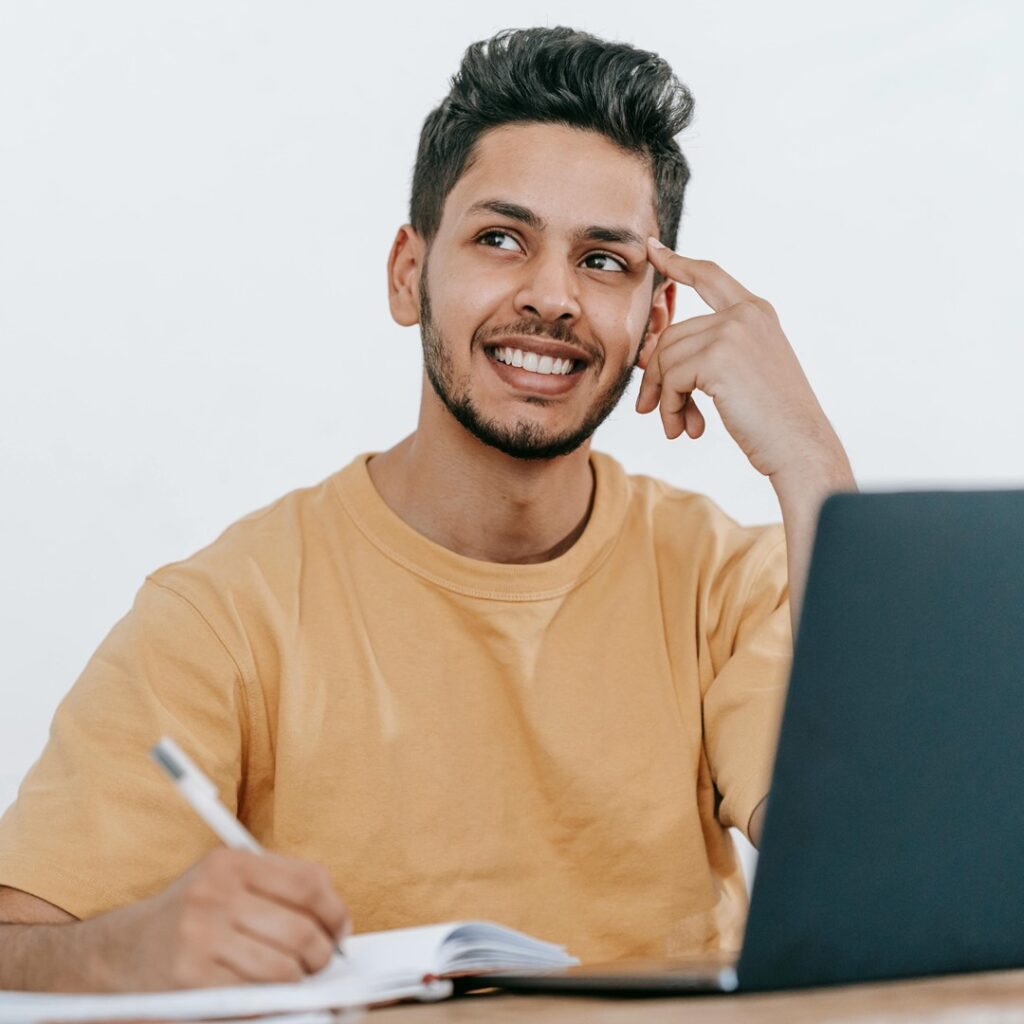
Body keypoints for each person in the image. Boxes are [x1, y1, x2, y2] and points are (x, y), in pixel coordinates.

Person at [0, 25, 856, 992]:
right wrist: (133, 949)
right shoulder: (227, 614)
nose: (552, 298)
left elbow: (887, 874)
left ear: (656, 320)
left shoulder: (729, 583)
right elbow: (15, 941)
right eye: (501, 239)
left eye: (605, 261)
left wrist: (808, 459)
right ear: (410, 274)